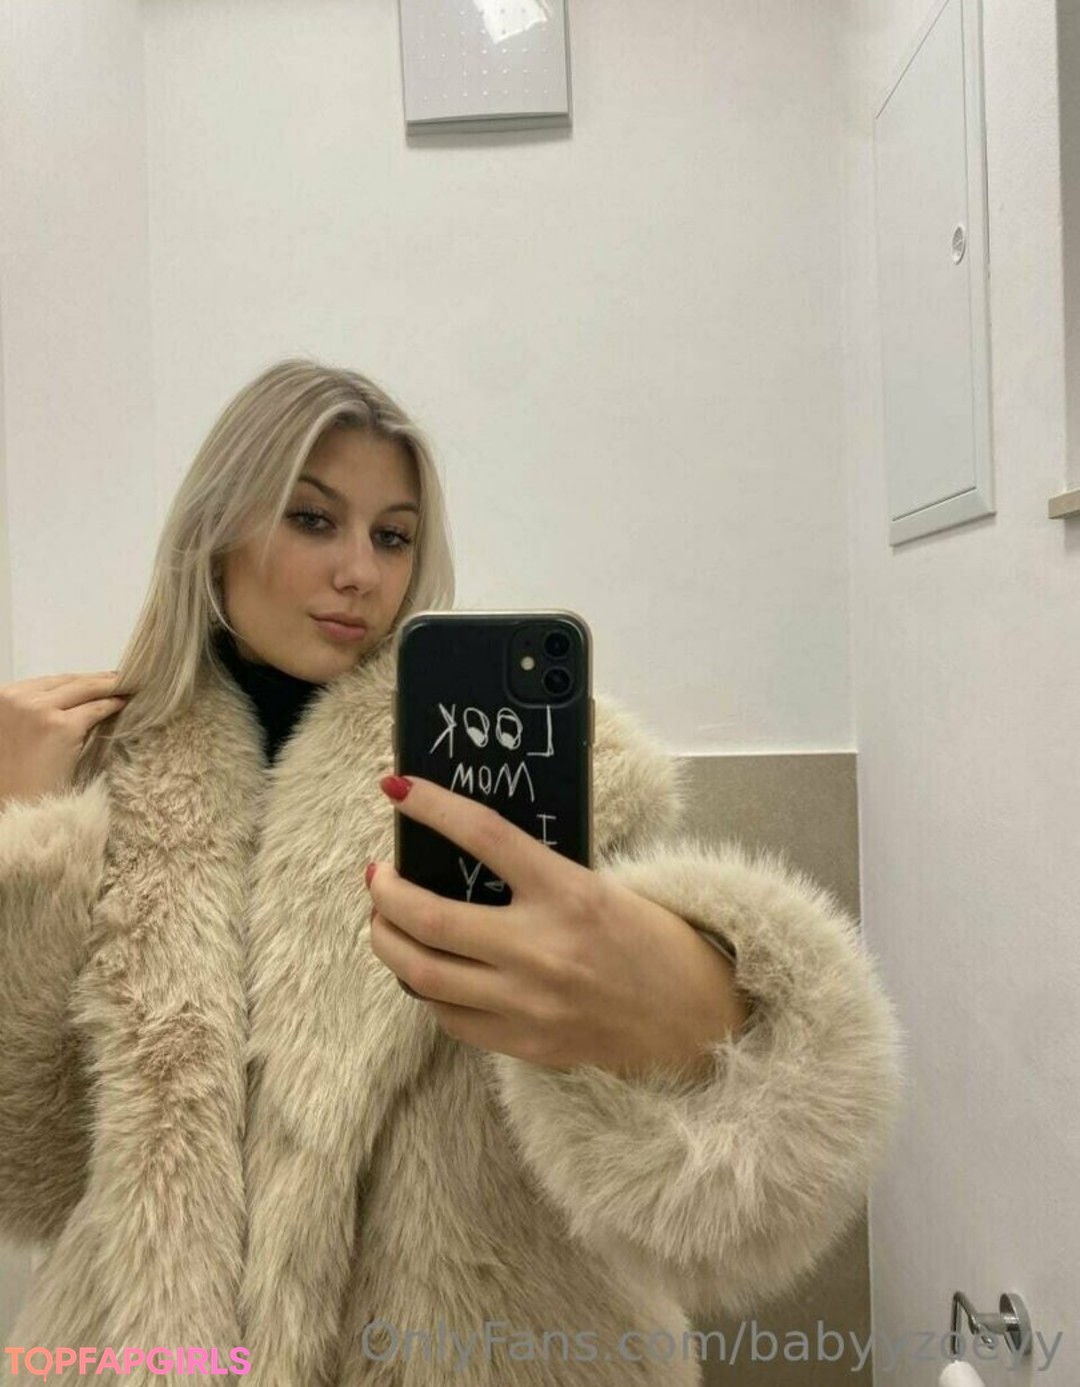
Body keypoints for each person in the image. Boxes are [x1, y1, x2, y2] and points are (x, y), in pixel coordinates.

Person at [0, 359, 905, 1386]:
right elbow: (32, 1167)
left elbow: (760, 1170)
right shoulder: (111, 778)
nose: (361, 571)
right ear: (214, 536)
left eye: (393, 536)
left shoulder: (528, 761)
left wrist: (682, 1009)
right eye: (313, 519)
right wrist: (19, 837)